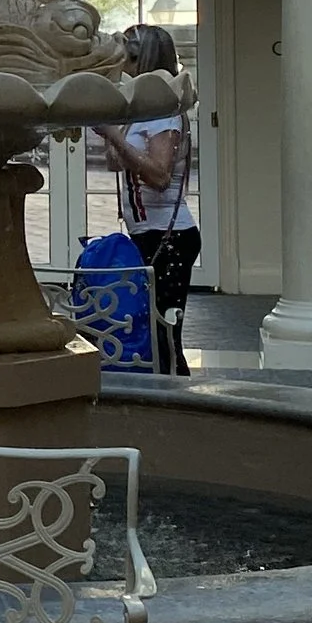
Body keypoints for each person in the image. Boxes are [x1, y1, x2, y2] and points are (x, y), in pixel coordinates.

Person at [102, 25, 200, 375]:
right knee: (150, 330)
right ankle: (165, 394)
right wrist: (112, 130)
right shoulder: (142, 108)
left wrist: (115, 136)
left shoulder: (164, 111)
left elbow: (159, 177)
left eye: (126, 57)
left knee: (165, 335)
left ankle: (177, 397)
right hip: (148, 232)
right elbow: (116, 163)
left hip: (169, 236)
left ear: (140, 58)